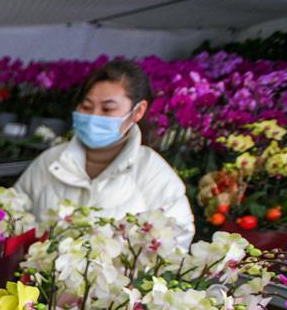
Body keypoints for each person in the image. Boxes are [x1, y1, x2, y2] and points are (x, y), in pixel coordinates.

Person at [15, 59, 194, 247]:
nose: (94, 116)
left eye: (107, 109)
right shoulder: (50, 162)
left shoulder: (154, 175)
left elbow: (177, 242)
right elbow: (12, 217)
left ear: (138, 111)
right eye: (86, 107)